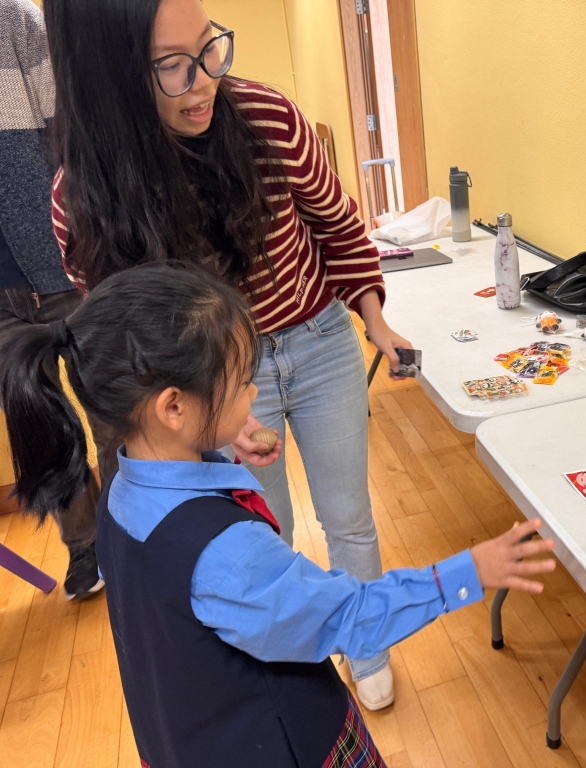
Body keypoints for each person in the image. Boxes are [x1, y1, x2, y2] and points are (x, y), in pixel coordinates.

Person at [0, 264, 556, 767]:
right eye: (242, 382)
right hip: (283, 742)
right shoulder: (226, 554)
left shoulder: (121, 492)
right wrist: (468, 572)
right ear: (174, 407)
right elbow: (348, 617)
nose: (253, 393)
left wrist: (219, 438)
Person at [46, 0, 410, 705]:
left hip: (318, 340)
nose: (205, 80)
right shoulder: (85, 196)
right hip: (213, 379)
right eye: (173, 67)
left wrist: (375, 319)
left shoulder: (267, 120)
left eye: (211, 48)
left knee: (348, 515)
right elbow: (130, 329)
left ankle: (365, 643)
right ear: (115, 77)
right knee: (261, 532)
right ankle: (301, 668)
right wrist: (210, 411)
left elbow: (338, 226)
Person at [0, 0, 102, 600]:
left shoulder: (16, 21)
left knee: (113, 407)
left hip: (64, 268)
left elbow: (70, 142)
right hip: (1, 300)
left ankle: (138, 537)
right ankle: (84, 549)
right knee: (44, 429)